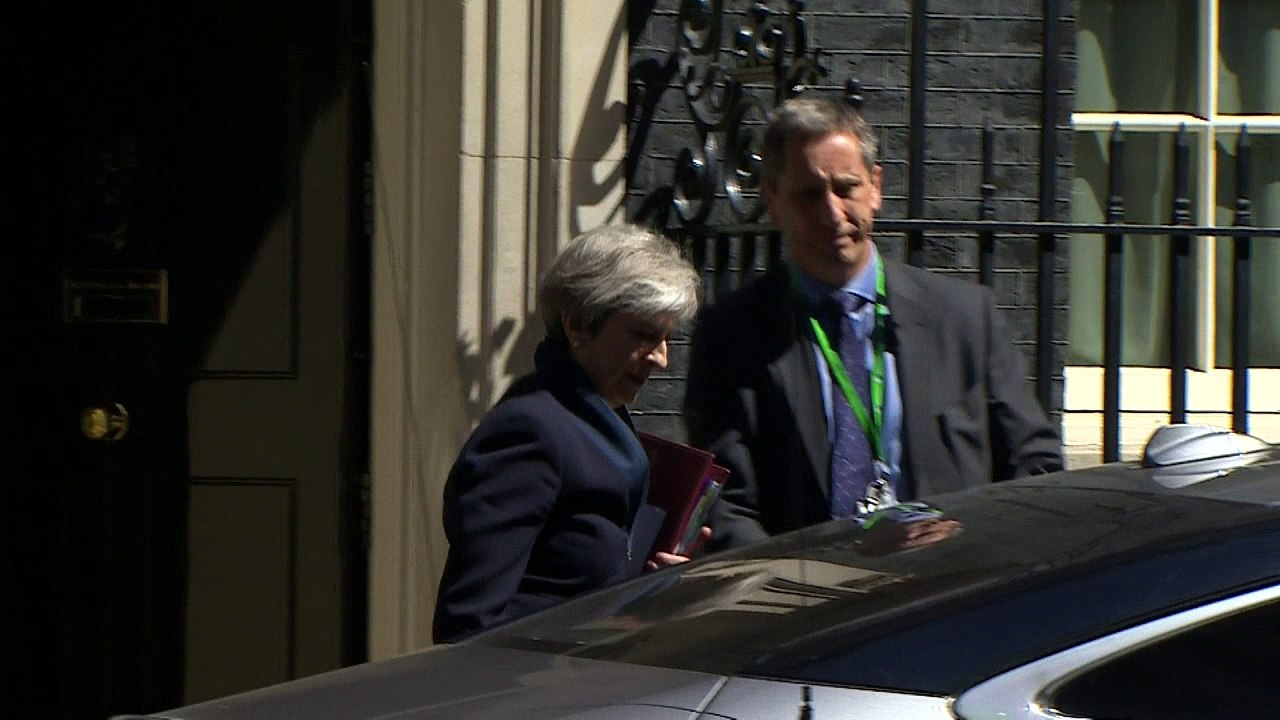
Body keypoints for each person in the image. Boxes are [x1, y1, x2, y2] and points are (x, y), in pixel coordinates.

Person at [683, 95, 1063, 551]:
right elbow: (726, 505)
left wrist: (972, 541)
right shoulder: (733, 334)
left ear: (876, 187)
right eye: (809, 195)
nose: (832, 213)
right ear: (773, 201)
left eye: (846, 188)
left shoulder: (963, 319)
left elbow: (1034, 468)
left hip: (951, 590)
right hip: (811, 601)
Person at [433, 223, 704, 643]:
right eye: (643, 336)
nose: (661, 359)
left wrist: (653, 590)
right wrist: (612, 631)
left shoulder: (602, 423)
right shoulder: (529, 432)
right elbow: (468, 627)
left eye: (667, 338)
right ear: (577, 325)